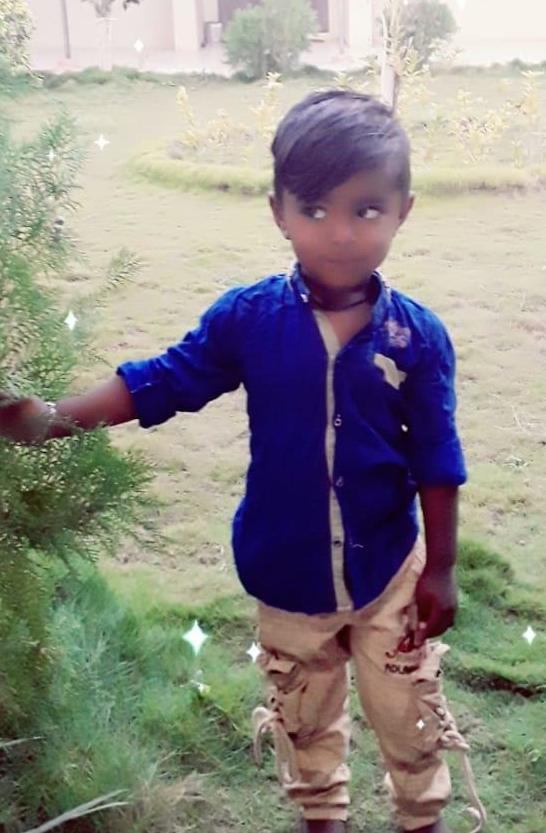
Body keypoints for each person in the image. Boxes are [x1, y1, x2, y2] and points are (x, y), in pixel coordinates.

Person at [0, 90, 486, 833]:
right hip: (285, 575)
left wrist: (442, 568)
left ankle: (423, 817)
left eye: (366, 209)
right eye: (315, 209)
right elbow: (164, 380)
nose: (341, 233)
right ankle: (321, 817)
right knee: (304, 715)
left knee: (408, 714)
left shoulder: (417, 337)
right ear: (278, 212)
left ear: (403, 211)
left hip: (392, 574)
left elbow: (437, 458)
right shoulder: (248, 320)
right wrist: (52, 418)